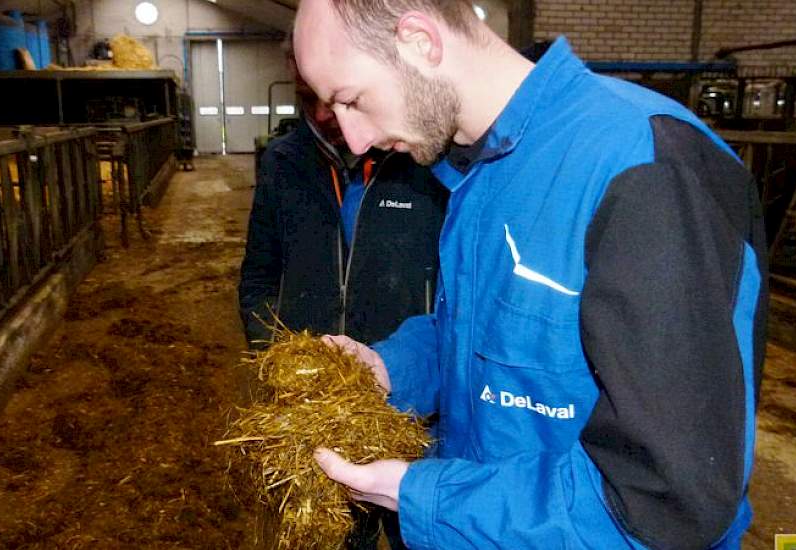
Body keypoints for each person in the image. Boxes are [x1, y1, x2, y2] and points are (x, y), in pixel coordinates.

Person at [293, 1, 768, 549]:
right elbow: (494, 334)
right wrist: (389, 370)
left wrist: (423, 496)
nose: (352, 141)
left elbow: (661, 501)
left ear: (420, 40)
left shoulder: (645, 166)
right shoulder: (480, 172)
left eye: (351, 100)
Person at [237, 56, 448, 549]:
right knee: (332, 533)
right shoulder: (284, 162)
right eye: (314, 99)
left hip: (407, 404)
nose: (330, 115)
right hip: (316, 405)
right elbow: (259, 273)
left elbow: (451, 289)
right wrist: (279, 358)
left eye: (343, 98)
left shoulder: (423, 166)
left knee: (414, 531)